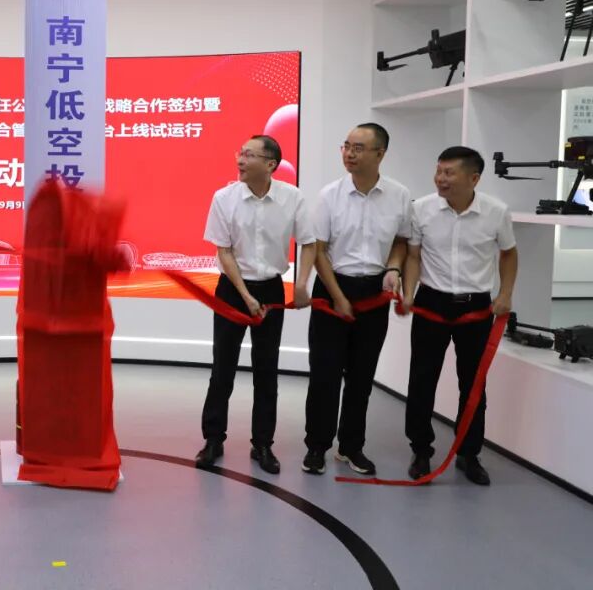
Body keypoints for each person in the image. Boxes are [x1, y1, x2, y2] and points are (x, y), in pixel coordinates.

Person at [195, 135, 315, 474]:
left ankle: (262, 444)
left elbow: (309, 242)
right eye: (241, 153)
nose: (241, 160)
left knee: (266, 369)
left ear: (271, 164)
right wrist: (246, 297)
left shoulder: (292, 198)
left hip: (272, 290)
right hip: (233, 290)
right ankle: (213, 439)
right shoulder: (224, 198)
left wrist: (301, 284)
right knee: (223, 368)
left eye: (249, 155)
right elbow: (223, 251)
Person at [403, 146, 517, 486]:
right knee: (422, 379)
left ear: (474, 178)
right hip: (431, 302)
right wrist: (408, 293)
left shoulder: (496, 212)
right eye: (438, 171)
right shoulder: (421, 209)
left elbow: (509, 254)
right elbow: (413, 256)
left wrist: (505, 294)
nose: (440, 179)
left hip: (476, 307)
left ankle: (469, 453)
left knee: (473, 383)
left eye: (449, 173)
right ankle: (421, 450)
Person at [303, 122, 411, 476]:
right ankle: (317, 446)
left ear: (380, 154)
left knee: (362, 376)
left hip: (374, 294)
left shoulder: (399, 196)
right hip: (332, 288)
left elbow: (401, 241)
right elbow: (318, 250)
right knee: (325, 374)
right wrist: (337, 297)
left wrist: (393, 269)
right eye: (346, 146)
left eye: (358, 148)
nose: (349, 154)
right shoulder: (329, 195)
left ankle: (351, 447)